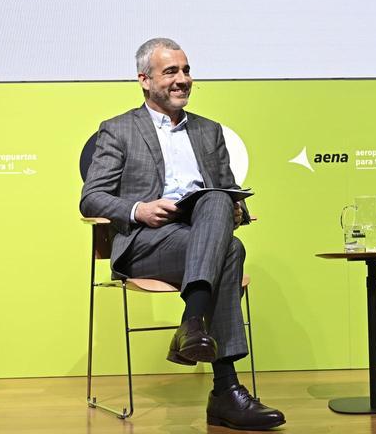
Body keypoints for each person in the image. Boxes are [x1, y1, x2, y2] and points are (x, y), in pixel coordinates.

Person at [80, 37, 285, 430]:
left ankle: (193, 328)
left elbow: (228, 190)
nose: (182, 79)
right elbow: (91, 198)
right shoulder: (119, 129)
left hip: (199, 236)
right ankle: (225, 390)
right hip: (146, 244)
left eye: (186, 70)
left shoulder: (209, 132)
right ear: (144, 79)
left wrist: (236, 209)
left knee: (218, 207)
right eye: (171, 71)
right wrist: (139, 209)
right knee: (231, 250)